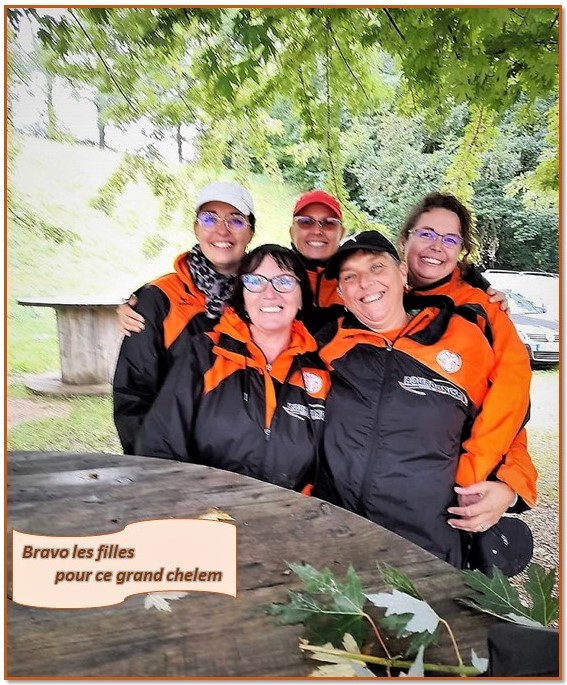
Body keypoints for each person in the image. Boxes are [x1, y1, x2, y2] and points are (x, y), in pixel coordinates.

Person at [313, 231, 500, 567]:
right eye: (350, 277)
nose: (365, 282)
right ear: (341, 293)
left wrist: (508, 486)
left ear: (402, 273)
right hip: (336, 540)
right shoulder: (324, 345)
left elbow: (506, 417)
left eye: (376, 267)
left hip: (427, 549)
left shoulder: (463, 338)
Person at [136, 244, 329, 492]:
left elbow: (329, 468)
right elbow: (160, 446)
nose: (270, 294)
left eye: (284, 281)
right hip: (206, 511)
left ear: (302, 298)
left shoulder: (320, 372)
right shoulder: (204, 354)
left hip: (291, 513)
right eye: (255, 281)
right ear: (242, 297)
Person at [397, 192, 537, 534]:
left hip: (440, 498)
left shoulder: (483, 308)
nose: (436, 247)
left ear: (461, 250)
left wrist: (483, 478)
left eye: (450, 239)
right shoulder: (372, 293)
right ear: (404, 239)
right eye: (427, 234)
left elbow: (510, 402)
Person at [113, 181, 255, 454]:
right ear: (196, 228)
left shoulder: (265, 299)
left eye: (235, 220)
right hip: (173, 458)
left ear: (250, 232)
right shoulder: (159, 298)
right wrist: (151, 464)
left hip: (241, 460)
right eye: (209, 219)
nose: (222, 230)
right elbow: (133, 394)